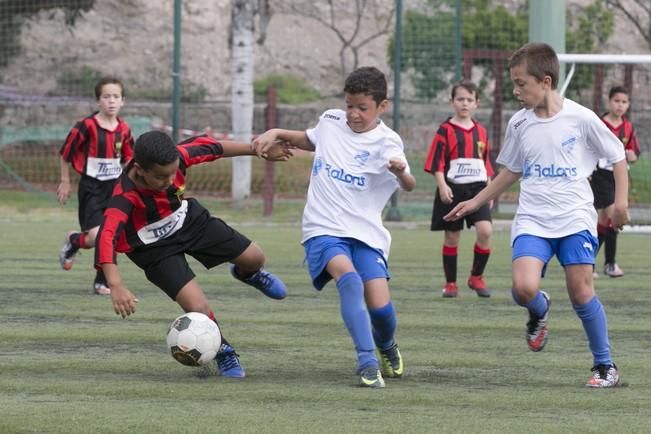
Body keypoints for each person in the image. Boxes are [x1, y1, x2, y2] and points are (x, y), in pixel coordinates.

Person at [444, 42, 629, 388]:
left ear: (545, 82)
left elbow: (617, 156)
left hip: (574, 217)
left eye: (520, 83)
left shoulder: (581, 117)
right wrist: (476, 202)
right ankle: (539, 309)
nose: (515, 91)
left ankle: (605, 365)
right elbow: (511, 170)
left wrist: (620, 204)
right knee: (524, 288)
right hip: (533, 218)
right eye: (513, 84)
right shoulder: (520, 123)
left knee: (580, 292)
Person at [253, 66, 416, 389]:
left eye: (362, 108)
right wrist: (277, 132)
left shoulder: (387, 142)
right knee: (349, 279)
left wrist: (400, 172)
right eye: (349, 105)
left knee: (381, 310)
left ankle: (386, 345)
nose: (353, 114)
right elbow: (309, 140)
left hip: (366, 234)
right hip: (323, 227)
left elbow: (409, 184)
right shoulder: (330, 121)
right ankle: (367, 360)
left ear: (382, 106)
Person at [94, 130, 291, 378]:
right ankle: (223, 352)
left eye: (172, 172)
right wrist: (115, 284)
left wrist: (258, 150)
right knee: (197, 307)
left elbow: (216, 148)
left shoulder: (179, 156)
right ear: (140, 169)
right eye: (160, 176)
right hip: (153, 248)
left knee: (256, 258)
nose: (169, 180)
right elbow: (106, 237)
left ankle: (248, 274)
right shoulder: (124, 197)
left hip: (188, 221)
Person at [57, 77, 134, 295]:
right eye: (106, 96)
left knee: (111, 235)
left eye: (116, 97)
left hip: (115, 189)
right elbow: (66, 154)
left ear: (123, 101)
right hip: (91, 189)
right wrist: (65, 181)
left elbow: (129, 160)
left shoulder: (125, 130)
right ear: (98, 101)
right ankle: (74, 240)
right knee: (96, 237)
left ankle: (102, 281)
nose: (111, 101)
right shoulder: (86, 126)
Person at [424, 80, 494, 298]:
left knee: (486, 231)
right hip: (453, 189)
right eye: (460, 99)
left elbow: (485, 162)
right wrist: (442, 185)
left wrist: (489, 188)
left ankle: (476, 277)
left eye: (469, 100)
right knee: (452, 237)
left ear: (477, 103)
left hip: (478, 190)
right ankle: (451, 283)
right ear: (452, 102)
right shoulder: (445, 131)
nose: (465, 103)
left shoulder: (481, 131)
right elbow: (436, 162)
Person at [590, 85, 640, 278]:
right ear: (609, 101)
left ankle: (588, 262)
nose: (620, 105)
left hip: (619, 176)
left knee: (603, 222)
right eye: (616, 101)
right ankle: (610, 264)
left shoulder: (628, 127)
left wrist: (631, 155)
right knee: (613, 215)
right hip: (601, 175)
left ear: (628, 105)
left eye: (624, 102)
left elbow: (634, 154)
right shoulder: (599, 123)